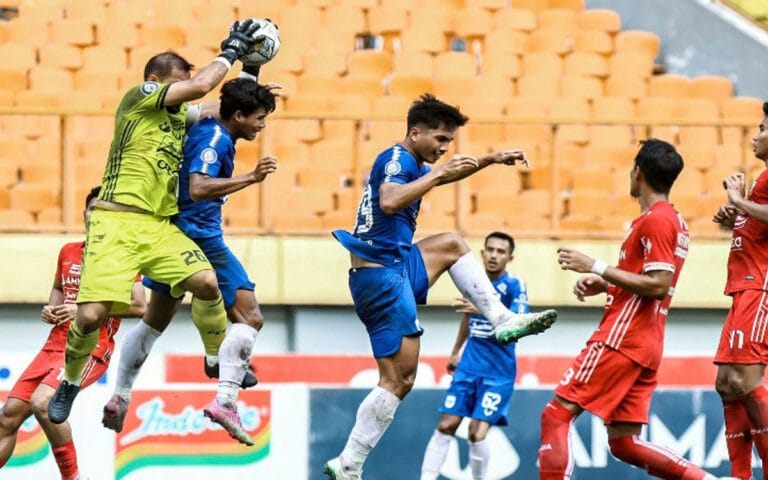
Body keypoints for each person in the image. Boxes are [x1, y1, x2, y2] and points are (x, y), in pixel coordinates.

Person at [323, 94, 558, 480]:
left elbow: (445, 173)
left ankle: (501, 318)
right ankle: (350, 462)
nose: (445, 148)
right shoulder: (397, 159)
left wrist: (490, 159)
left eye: (449, 140)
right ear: (416, 133)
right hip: (382, 277)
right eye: (441, 139)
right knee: (398, 380)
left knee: (451, 244)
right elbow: (389, 201)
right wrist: (438, 174)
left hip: (394, 267)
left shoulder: (413, 163)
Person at [47, 20, 266, 425]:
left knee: (206, 283)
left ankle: (214, 358)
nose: (183, 92)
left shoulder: (178, 116)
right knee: (90, 316)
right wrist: (231, 50)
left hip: (158, 226)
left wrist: (251, 72)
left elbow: (226, 110)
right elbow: (201, 87)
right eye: (176, 85)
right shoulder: (139, 98)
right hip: (115, 223)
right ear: (155, 81)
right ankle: (70, 381)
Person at [538, 139, 736, 480]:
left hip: (621, 338)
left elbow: (658, 285)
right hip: (646, 341)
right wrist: (608, 285)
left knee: (556, 415)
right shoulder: (672, 220)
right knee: (625, 443)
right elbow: (651, 283)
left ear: (638, 172)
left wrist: (596, 266)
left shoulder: (656, 221)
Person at [101, 78, 278, 446]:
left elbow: (231, 100)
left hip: (174, 234)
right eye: (259, 117)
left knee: (154, 322)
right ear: (239, 115)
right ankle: (225, 400)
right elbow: (198, 187)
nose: (262, 125)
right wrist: (251, 177)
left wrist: (254, 74)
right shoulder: (215, 139)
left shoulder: (213, 126)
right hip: (200, 236)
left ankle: (120, 395)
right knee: (250, 317)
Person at [0, 186, 146, 480]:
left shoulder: (123, 256)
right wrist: (52, 308)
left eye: (104, 211)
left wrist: (81, 312)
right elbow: (59, 286)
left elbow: (140, 306)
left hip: (91, 348)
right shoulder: (68, 251)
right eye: (93, 209)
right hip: (52, 347)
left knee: (43, 403)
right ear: (84, 214)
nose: (97, 215)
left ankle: (73, 477)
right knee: (7, 417)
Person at [421, 231, 529, 480]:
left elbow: (519, 322)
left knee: (476, 433)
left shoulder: (515, 285)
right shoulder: (473, 281)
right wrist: (455, 351)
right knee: (446, 425)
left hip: (498, 373)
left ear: (510, 258)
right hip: (468, 365)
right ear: (482, 253)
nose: (493, 256)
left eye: (500, 251)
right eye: (490, 250)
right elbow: (467, 319)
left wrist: (482, 308)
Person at [712, 101, 768, 480]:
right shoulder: (762, 180)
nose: (756, 134)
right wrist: (735, 215)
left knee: (745, 382)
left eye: (763, 128)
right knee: (726, 385)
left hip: (760, 286)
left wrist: (738, 200)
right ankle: (739, 475)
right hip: (742, 286)